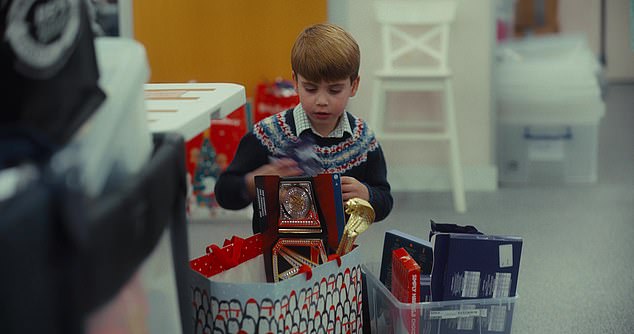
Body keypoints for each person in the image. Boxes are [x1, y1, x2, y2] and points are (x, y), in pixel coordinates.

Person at [215, 23, 393, 233]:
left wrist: (368, 195)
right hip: (275, 257)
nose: (321, 100)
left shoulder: (363, 140)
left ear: (353, 86)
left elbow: (385, 199)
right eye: (310, 88)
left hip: (338, 259)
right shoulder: (268, 135)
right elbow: (224, 193)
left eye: (334, 90)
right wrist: (253, 183)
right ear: (295, 82)